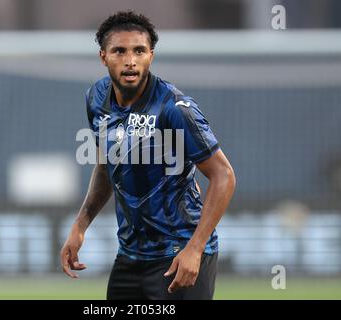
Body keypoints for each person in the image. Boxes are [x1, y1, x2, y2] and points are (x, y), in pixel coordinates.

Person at [60, 10, 236, 300]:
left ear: (151, 56)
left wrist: (195, 247)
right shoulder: (96, 98)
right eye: (119, 51)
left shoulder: (174, 108)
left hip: (179, 255)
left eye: (139, 51)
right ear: (103, 57)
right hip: (130, 256)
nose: (130, 60)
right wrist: (80, 226)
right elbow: (107, 166)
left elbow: (224, 176)